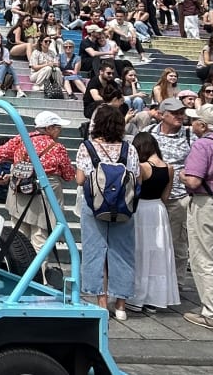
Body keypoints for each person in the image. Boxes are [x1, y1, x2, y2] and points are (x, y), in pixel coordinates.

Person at [75, 104, 140, 321]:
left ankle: (101, 301)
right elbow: (137, 178)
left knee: (95, 250)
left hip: (95, 206)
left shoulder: (87, 147)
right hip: (123, 206)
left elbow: (80, 179)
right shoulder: (128, 148)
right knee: (123, 252)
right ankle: (120, 305)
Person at [0, 111, 75, 260]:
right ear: (49, 128)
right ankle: (38, 278)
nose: (60, 130)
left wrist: (18, 162)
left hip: (20, 189)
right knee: (40, 238)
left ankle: (20, 273)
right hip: (45, 194)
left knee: (20, 237)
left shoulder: (21, 139)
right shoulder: (57, 148)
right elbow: (68, 175)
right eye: (58, 127)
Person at [124, 132, 179, 313]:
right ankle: (155, 299)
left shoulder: (142, 167)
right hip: (158, 210)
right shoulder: (169, 168)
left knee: (140, 252)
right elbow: (165, 196)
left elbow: (135, 191)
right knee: (158, 254)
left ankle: (137, 298)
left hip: (142, 211)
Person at [182, 104, 213, 333]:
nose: (192, 124)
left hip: (207, 203)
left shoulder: (203, 144)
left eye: (195, 120)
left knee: (204, 259)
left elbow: (193, 182)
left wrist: (181, 175)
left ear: (203, 125)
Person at [149, 97, 194, 287]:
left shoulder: (191, 135)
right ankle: (153, 283)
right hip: (152, 197)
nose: (179, 116)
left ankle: (176, 285)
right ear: (161, 115)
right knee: (152, 243)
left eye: (181, 112)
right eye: (175, 113)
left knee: (178, 244)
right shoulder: (149, 134)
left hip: (179, 196)